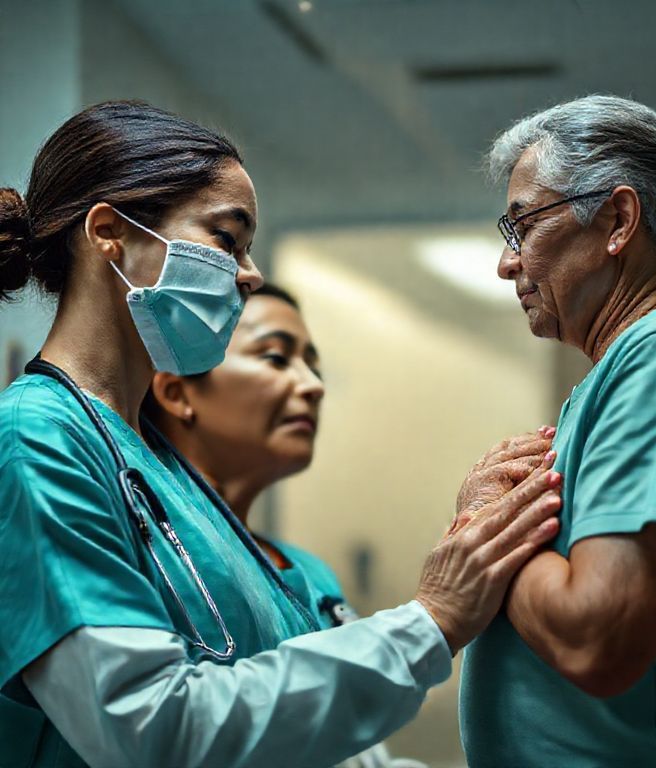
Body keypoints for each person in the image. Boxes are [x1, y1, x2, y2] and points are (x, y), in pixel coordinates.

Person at [0, 100, 563, 768]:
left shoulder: (162, 467)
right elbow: (152, 730)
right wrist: (432, 619)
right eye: (227, 238)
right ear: (108, 234)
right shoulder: (37, 439)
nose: (252, 275)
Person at [459, 94, 656, 768]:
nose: (507, 263)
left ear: (618, 221)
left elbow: (597, 638)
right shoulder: (634, 366)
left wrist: (484, 531)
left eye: (523, 226)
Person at [143, 280, 428, 768]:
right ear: (176, 392)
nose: (313, 385)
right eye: (276, 357)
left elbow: (352, 753)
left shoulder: (310, 575)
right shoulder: (154, 552)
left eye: (314, 366)